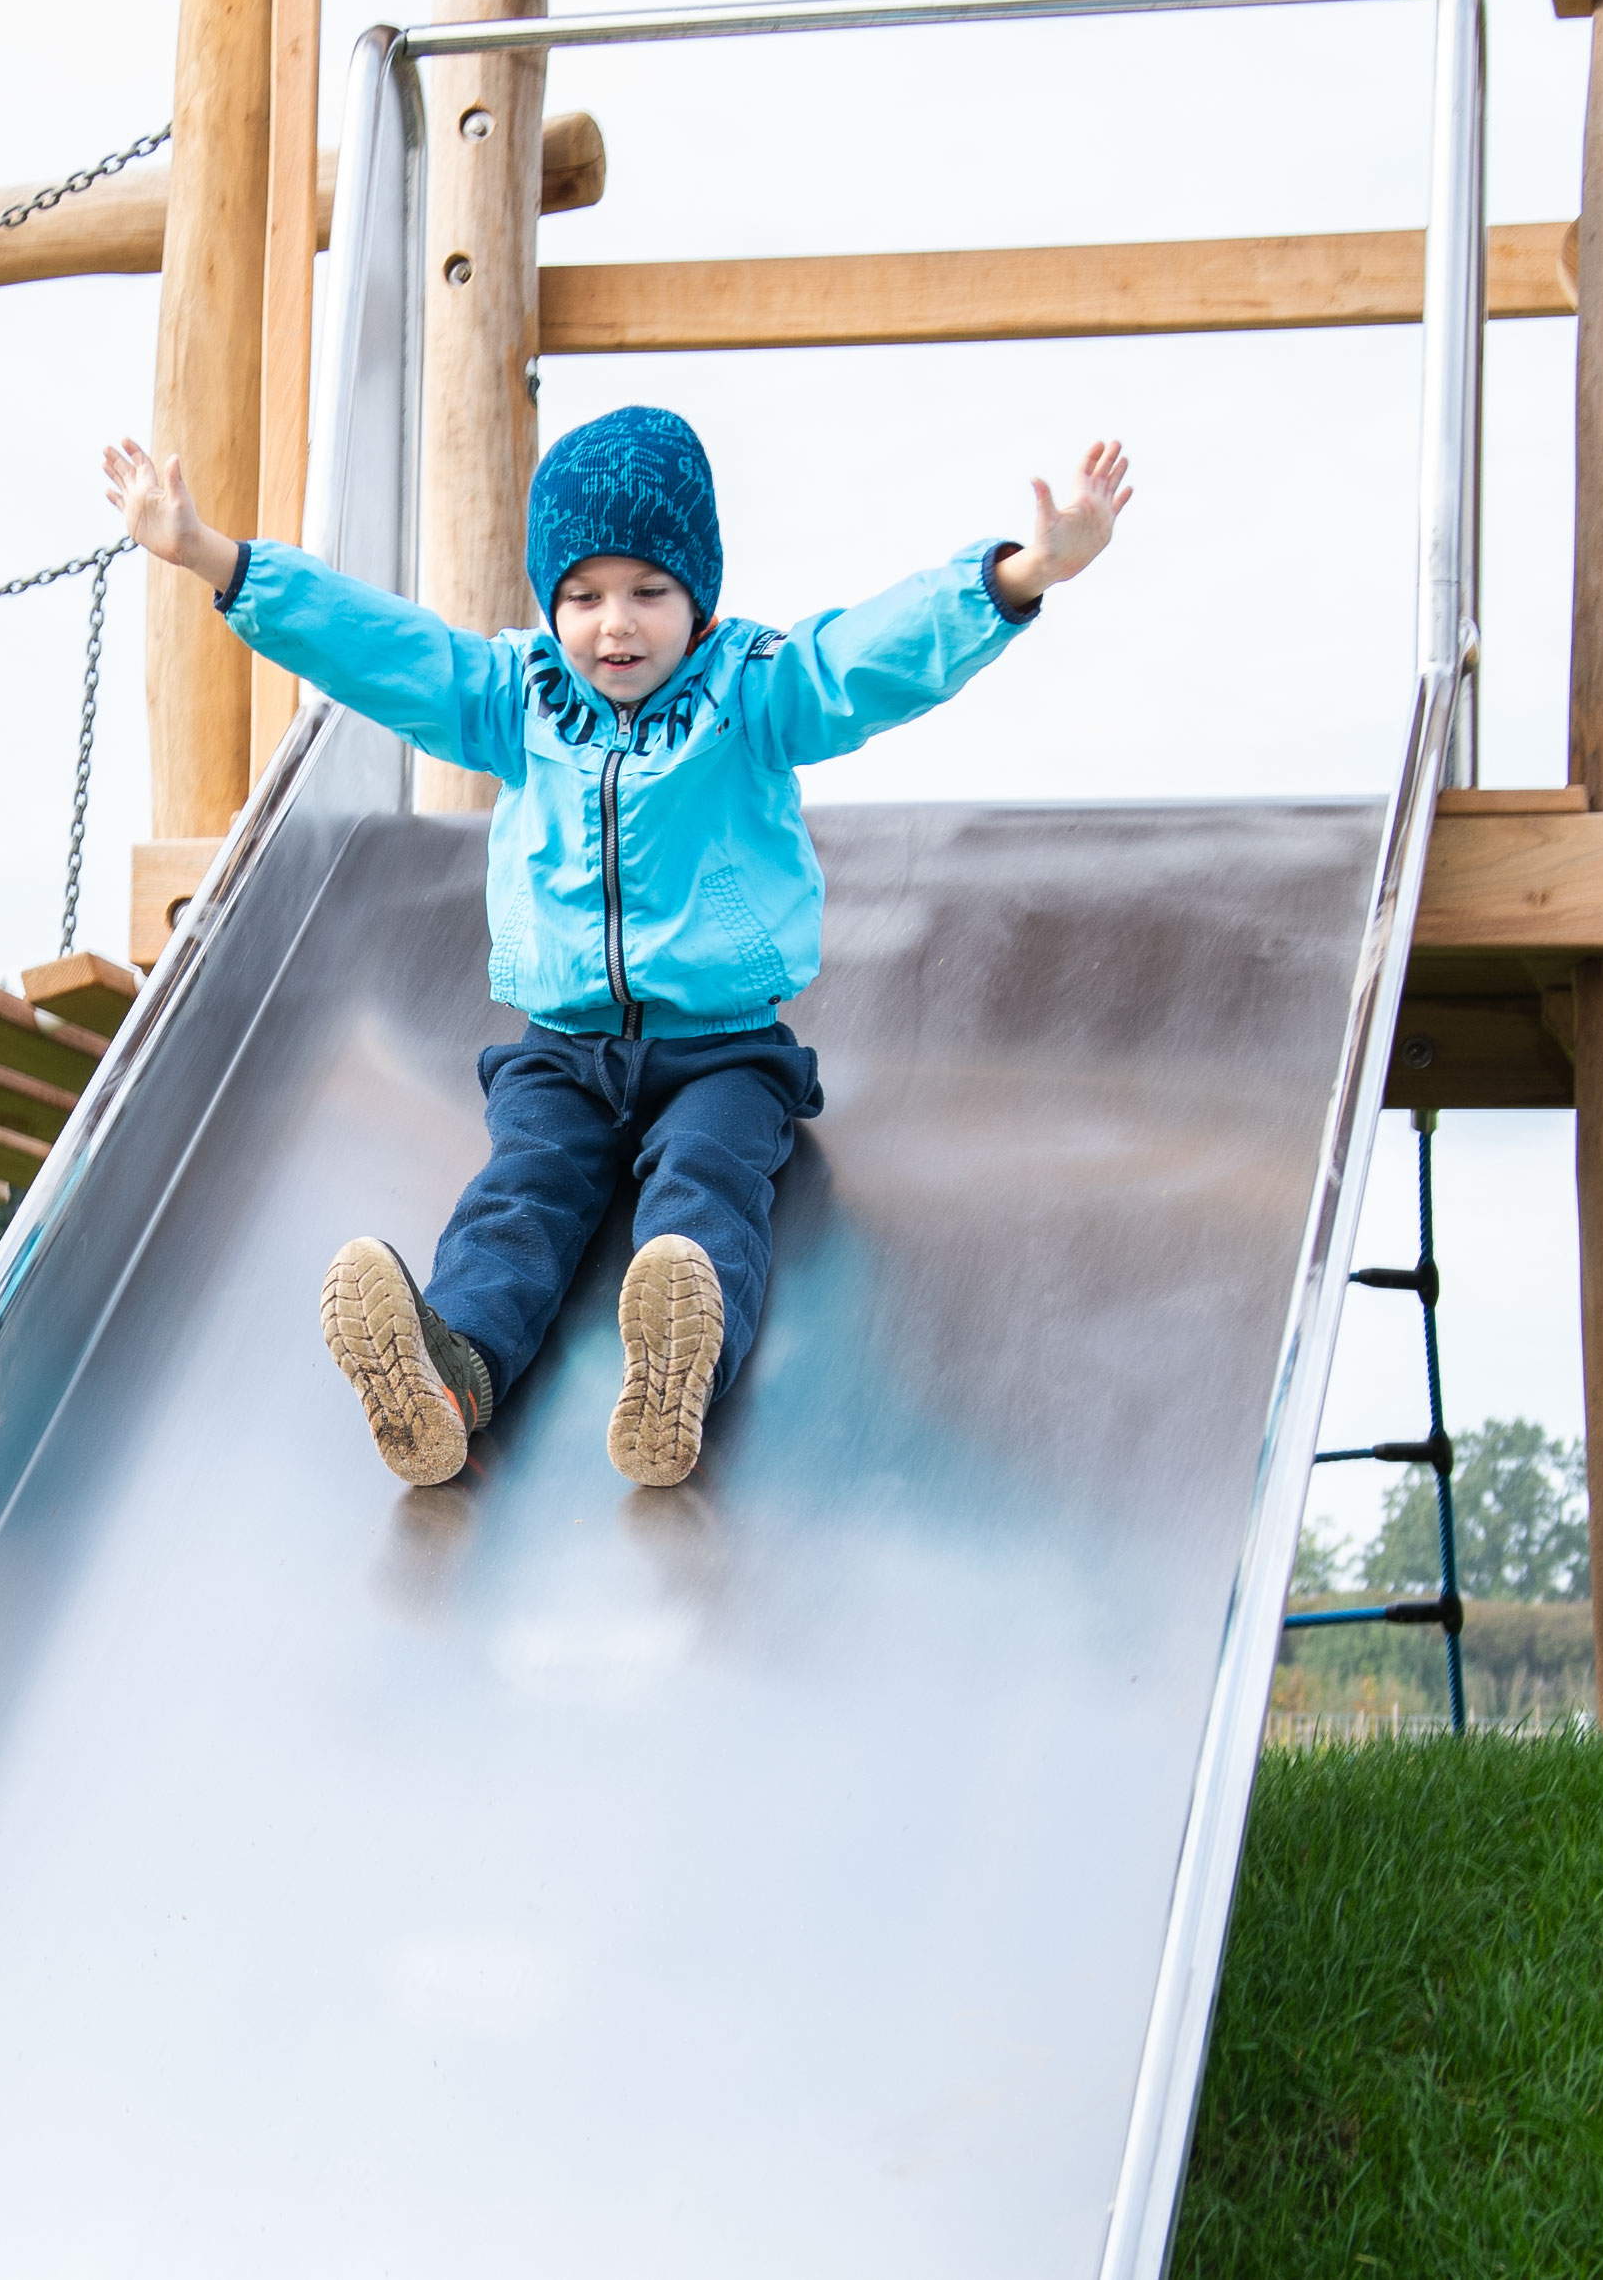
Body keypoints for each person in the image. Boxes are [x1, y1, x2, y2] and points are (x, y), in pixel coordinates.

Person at [102, 404, 1130, 1489]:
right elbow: (382, 648)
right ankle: (446, 1381)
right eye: (583, 596)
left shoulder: (754, 691)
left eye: (649, 590)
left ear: (699, 595)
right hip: (562, 1048)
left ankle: (679, 1370)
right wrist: (215, 559)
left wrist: (1018, 576)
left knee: (705, 1190)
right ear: (552, 606)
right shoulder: (517, 698)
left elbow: (869, 656)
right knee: (519, 1196)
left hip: (724, 1046)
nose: (615, 624)